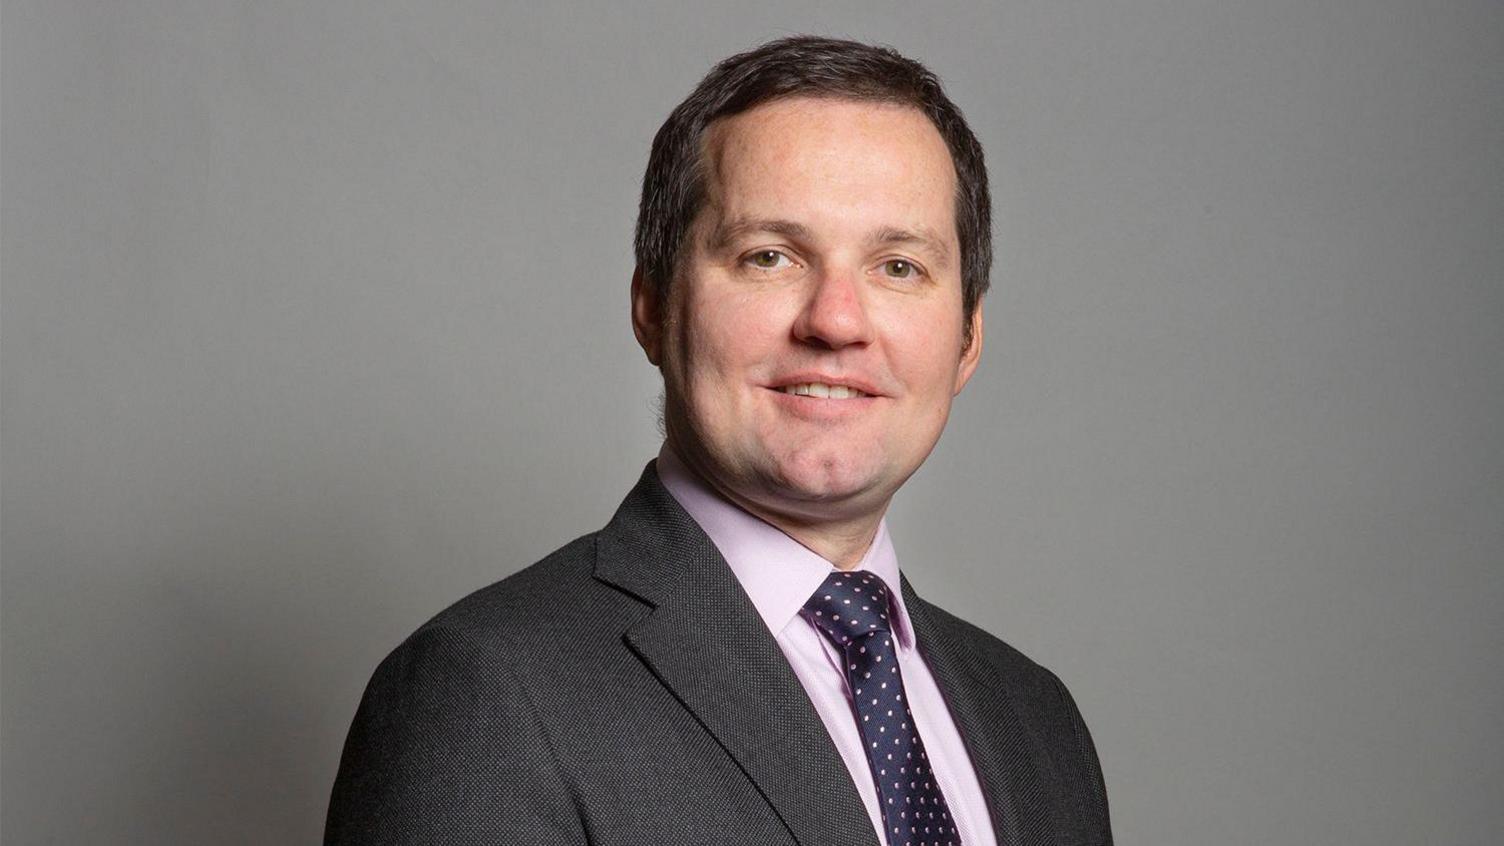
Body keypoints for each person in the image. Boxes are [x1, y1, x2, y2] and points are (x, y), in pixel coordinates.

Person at [325, 35, 1112, 846]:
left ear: (968, 338)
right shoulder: (486, 694)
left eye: (899, 267)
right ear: (654, 308)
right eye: (769, 256)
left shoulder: (1036, 722)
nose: (836, 321)